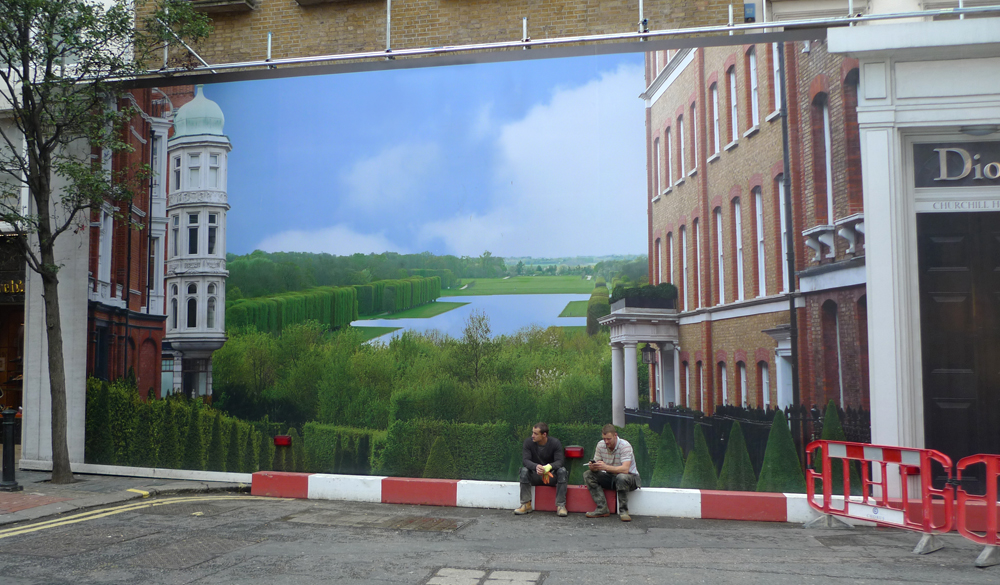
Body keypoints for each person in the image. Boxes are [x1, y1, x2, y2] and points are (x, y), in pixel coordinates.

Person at [584, 424, 640, 522]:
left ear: (615, 435)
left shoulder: (625, 446)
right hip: (611, 477)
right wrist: (593, 467)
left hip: (631, 478)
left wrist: (605, 467)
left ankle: (623, 511)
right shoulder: (600, 445)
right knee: (588, 474)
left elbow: (625, 469)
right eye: (604, 439)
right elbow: (597, 465)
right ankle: (602, 508)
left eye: (609, 439)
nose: (606, 442)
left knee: (621, 477)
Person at [514, 422, 568, 517]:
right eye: (532, 433)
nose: (532, 436)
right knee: (524, 471)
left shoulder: (555, 443)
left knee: (562, 471)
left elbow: (560, 461)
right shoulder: (528, 442)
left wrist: (548, 467)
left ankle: (561, 506)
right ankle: (526, 505)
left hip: (551, 477)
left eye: (535, 433)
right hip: (535, 476)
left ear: (544, 434)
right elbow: (525, 461)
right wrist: (536, 467)